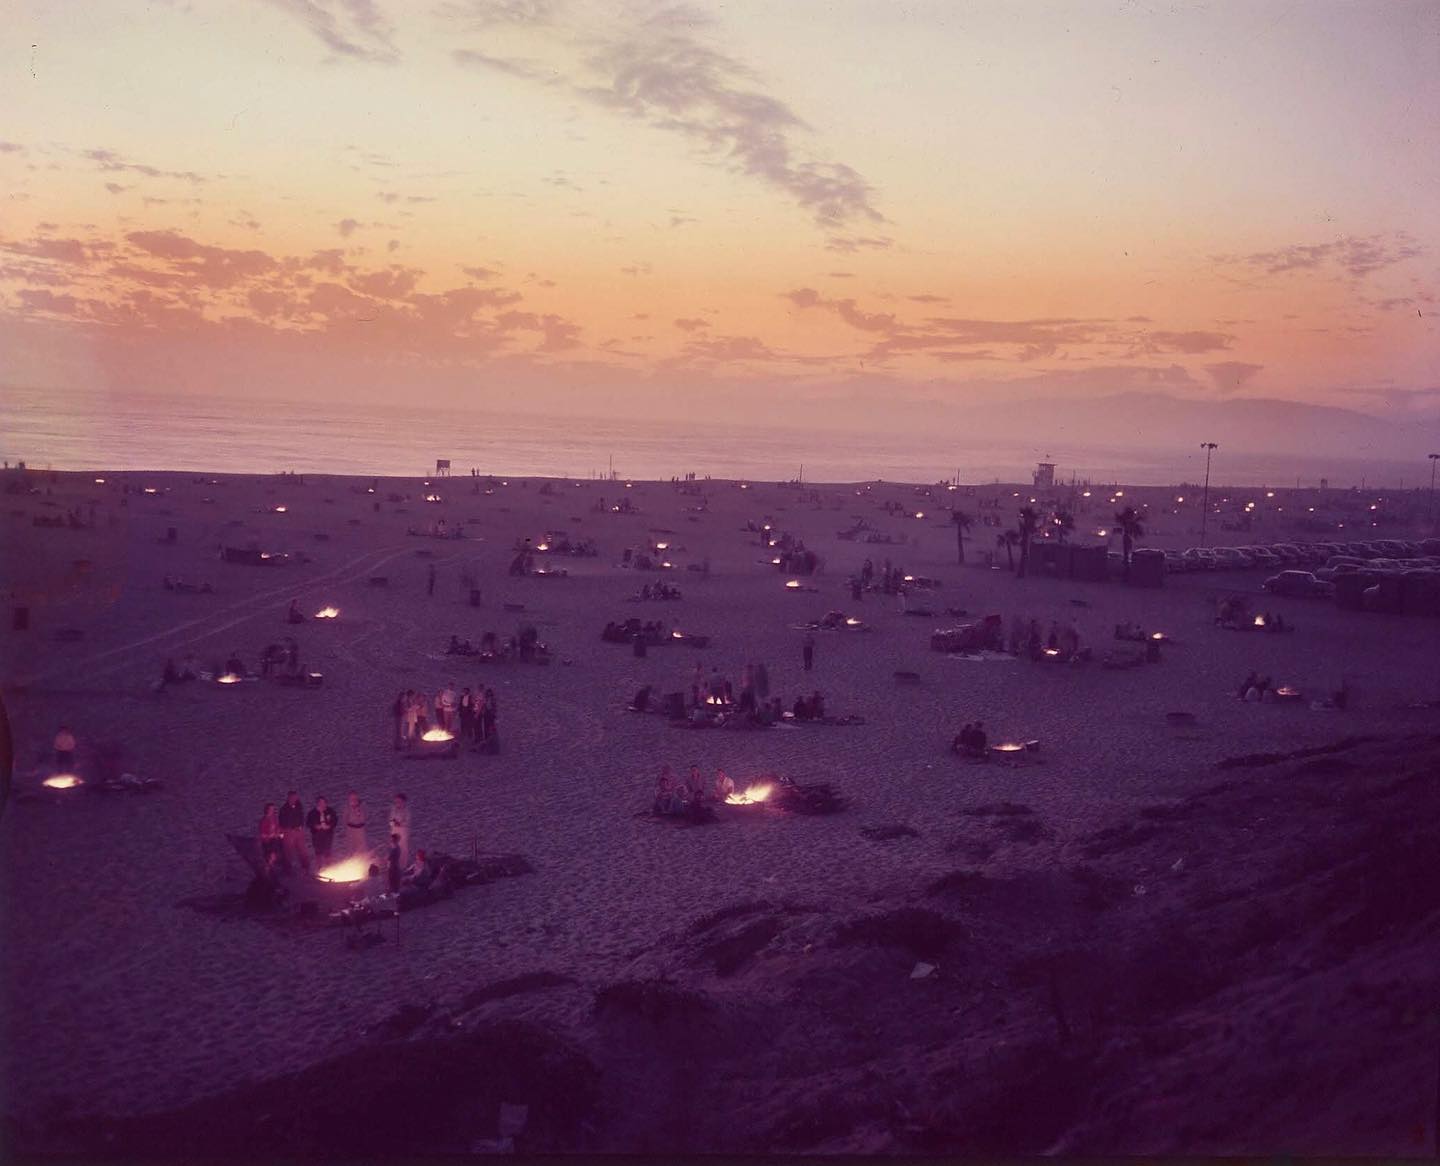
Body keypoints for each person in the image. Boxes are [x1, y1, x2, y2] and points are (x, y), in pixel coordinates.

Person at [278, 791, 309, 875]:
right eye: (292, 797)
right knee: (288, 851)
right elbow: (282, 821)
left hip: (298, 831)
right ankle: (288, 869)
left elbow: (301, 817)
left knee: (302, 850)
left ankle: (306, 868)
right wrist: (287, 830)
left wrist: (301, 826)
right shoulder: (284, 809)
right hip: (288, 831)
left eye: (295, 797)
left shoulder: (299, 806)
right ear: (289, 798)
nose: (294, 799)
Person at [307, 795, 338, 868]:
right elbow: (308, 823)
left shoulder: (330, 811)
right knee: (318, 852)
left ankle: (329, 867)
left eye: (324, 802)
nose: (323, 804)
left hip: (328, 834)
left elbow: (335, 821)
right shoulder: (312, 813)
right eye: (321, 803)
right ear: (317, 803)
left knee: (328, 851)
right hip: (317, 835)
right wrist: (315, 826)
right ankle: (320, 867)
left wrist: (329, 826)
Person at [344, 791, 367, 857]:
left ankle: (363, 860)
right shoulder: (347, 807)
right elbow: (345, 820)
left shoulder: (362, 806)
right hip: (351, 830)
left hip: (360, 830)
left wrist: (357, 810)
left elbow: (364, 818)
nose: (353, 800)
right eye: (351, 798)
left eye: (355, 798)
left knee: (362, 849)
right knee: (350, 849)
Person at [390, 793, 410, 866]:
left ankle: (403, 864)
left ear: (404, 802)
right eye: (396, 802)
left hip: (403, 831)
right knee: (394, 846)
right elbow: (390, 820)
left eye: (399, 802)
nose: (397, 804)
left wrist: (400, 824)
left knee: (403, 847)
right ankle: (394, 863)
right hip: (394, 830)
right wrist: (393, 823)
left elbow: (407, 822)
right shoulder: (393, 810)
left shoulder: (406, 811)